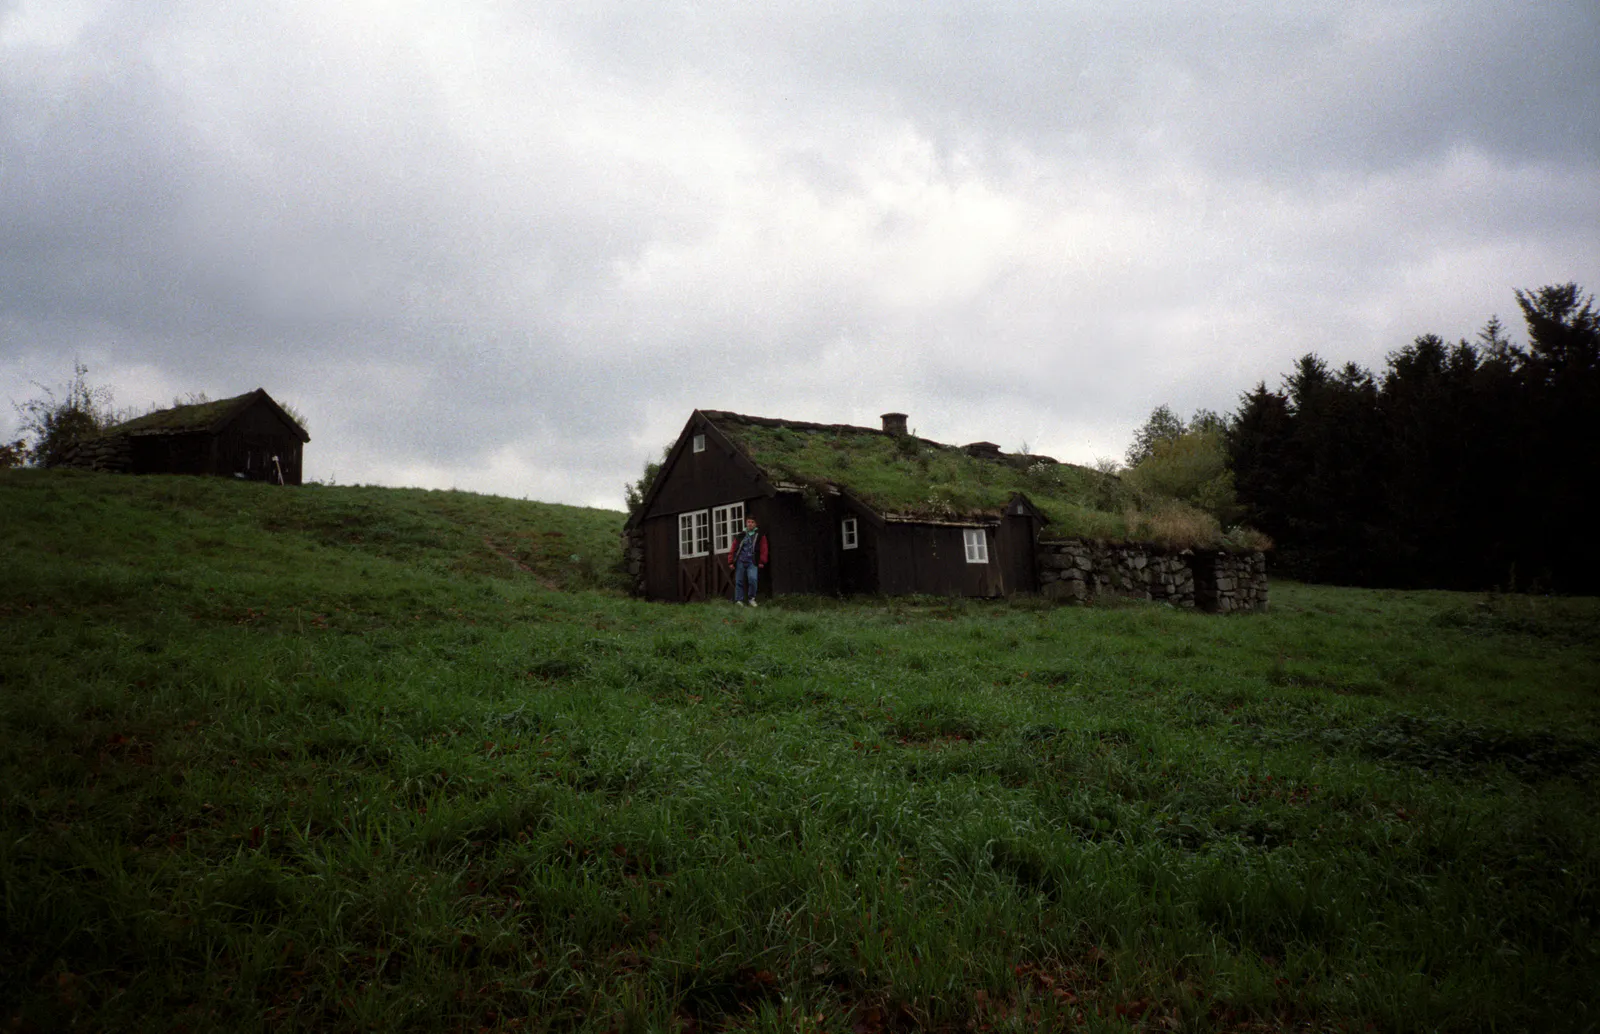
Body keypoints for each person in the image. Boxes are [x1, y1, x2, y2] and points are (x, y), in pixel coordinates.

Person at [727, 514, 768, 606]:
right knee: (739, 581)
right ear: (746, 523)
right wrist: (731, 561)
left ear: (755, 524)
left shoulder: (760, 535)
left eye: (752, 522)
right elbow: (733, 548)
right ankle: (739, 600)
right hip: (740, 561)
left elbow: (764, 549)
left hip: (752, 561)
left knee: (753, 579)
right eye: (748, 522)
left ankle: (751, 599)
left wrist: (762, 561)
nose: (750, 524)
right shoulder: (741, 535)